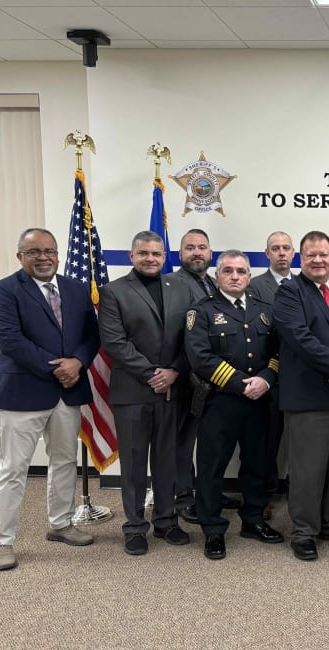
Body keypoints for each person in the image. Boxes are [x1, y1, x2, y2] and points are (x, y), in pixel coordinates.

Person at [0, 228, 100, 571]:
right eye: (33, 251)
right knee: (13, 469)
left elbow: (91, 334)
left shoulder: (75, 289)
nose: (43, 257)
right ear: (20, 256)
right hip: (24, 391)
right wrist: (57, 368)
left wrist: (78, 362)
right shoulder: (5, 290)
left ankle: (61, 524)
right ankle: (2, 542)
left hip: (69, 392)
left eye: (49, 251)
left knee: (64, 460)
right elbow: (9, 339)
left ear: (58, 255)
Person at [98, 230, 194, 556]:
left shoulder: (180, 289)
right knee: (136, 463)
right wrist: (154, 374)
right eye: (144, 253)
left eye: (156, 253)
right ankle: (135, 526)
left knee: (168, 460)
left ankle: (166, 522)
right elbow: (114, 341)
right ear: (131, 256)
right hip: (133, 392)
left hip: (173, 389)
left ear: (164, 257)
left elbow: (192, 340)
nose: (150, 258)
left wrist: (175, 371)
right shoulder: (113, 292)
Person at [273, 231, 329, 561]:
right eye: (311, 255)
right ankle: (304, 531)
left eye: (324, 254)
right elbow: (300, 338)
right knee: (308, 469)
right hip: (310, 397)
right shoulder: (289, 292)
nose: (318, 260)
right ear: (300, 258)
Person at [185, 250, 283, 560]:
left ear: (250, 276)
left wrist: (266, 379)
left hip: (261, 401)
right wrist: (242, 384)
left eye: (241, 271)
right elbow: (200, 358)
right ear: (217, 276)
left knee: (257, 463)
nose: (235, 276)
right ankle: (213, 529)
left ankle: (253, 521)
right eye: (228, 270)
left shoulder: (266, 310)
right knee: (212, 469)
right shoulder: (201, 312)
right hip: (221, 402)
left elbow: (280, 352)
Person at [169, 229, 240, 523]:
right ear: (180, 253)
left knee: (210, 444)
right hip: (184, 375)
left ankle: (207, 491)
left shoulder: (212, 281)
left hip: (211, 380)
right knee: (184, 442)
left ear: (210, 253)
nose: (196, 252)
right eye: (190, 248)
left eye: (202, 247)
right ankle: (184, 496)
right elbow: (171, 334)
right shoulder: (172, 284)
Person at [247, 230, 295, 502]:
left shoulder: (303, 284)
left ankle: (297, 490)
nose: (281, 253)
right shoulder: (254, 285)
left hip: (298, 374)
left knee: (298, 440)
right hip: (269, 372)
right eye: (275, 248)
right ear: (267, 254)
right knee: (265, 441)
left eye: (286, 248)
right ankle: (262, 497)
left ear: (293, 253)